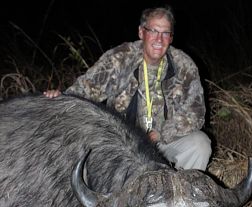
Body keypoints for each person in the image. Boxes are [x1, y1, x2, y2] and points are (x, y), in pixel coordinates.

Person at [44, 7, 211, 171]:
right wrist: (64, 97)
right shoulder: (120, 57)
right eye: (153, 31)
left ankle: (183, 194)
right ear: (141, 32)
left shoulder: (184, 65)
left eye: (165, 33)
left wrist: (160, 133)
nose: (159, 39)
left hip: (164, 140)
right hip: (123, 142)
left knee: (200, 145)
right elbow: (88, 88)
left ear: (171, 37)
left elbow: (195, 113)